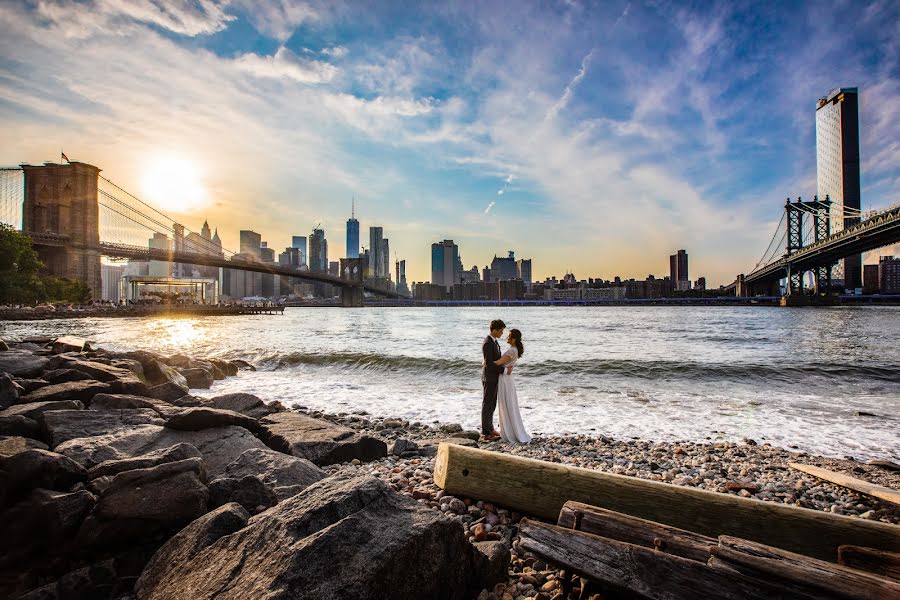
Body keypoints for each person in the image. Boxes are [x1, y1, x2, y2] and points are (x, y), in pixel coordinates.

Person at [494, 328, 531, 443]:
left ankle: (509, 432)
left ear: (514, 339)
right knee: (509, 403)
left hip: (505, 379)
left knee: (505, 403)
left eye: (509, 336)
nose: (507, 337)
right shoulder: (515, 350)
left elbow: (497, 363)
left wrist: (485, 362)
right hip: (508, 378)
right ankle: (509, 429)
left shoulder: (511, 351)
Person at [481, 319, 506, 441]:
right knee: (487, 404)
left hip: (494, 377)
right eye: (501, 331)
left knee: (492, 404)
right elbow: (489, 364)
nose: (502, 333)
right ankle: (486, 433)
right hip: (489, 377)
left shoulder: (495, 342)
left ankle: (490, 428)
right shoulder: (487, 343)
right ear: (494, 330)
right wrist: (504, 371)